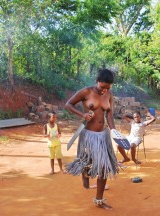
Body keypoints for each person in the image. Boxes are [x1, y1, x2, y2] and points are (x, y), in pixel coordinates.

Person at [65, 68, 119, 210]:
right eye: (102, 87)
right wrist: (82, 115)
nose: (104, 91)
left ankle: (99, 200)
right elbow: (68, 104)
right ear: (97, 81)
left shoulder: (109, 94)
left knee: (103, 168)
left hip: (103, 136)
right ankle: (85, 172)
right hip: (88, 135)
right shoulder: (86, 92)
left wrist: (114, 131)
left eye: (107, 88)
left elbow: (109, 115)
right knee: (87, 162)